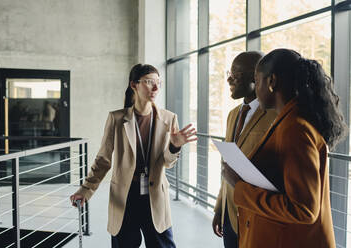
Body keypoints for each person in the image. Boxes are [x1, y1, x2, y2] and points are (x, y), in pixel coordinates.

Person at [223, 48, 347, 248]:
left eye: (257, 79)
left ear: (271, 82)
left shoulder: (295, 129)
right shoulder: (289, 122)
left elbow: (304, 210)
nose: (256, 88)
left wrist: (240, 187)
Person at [70, 64, 197, 248]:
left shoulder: (169, 119)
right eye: (148, 82)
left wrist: (174, 147)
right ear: (133, 85)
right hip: (125, 196)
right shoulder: (117, 119)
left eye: (158, 83)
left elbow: (167, 163)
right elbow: (103, 159)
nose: (155, 88)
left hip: (155, 197)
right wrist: (86, 189)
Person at [212, 51, 276, 248]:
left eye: (235, 73)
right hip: (230, 216)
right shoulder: (233, 115)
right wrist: (219, 208)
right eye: (229, 73)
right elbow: (228, 166)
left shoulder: (275, 115)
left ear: (254, 77)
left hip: (256, 215)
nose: (229, 79)